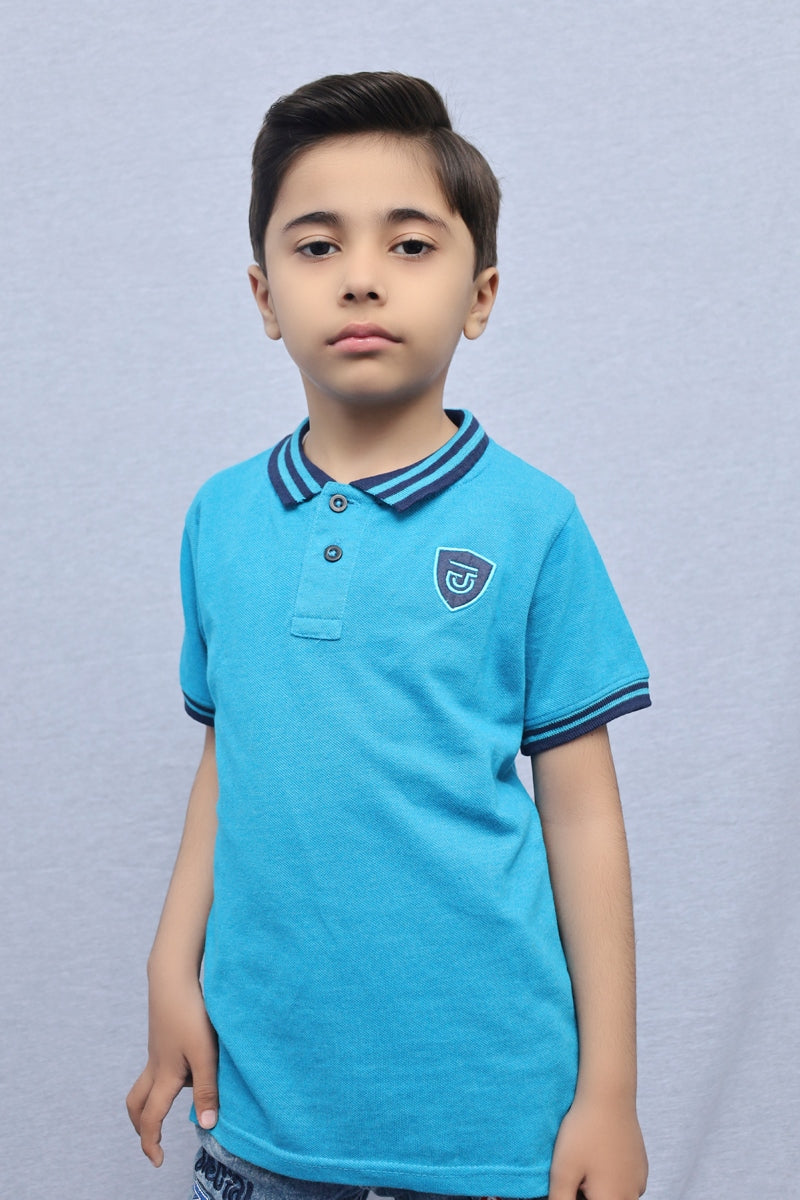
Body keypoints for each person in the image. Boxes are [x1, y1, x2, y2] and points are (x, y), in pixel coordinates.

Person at [126, 71, 651, 1200]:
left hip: (490, 1123)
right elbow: (230, 756)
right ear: (265, 295)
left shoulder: (533, 522)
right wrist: (170, 964)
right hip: (260, 1115)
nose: (361, 276)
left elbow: (583, 814)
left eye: (410, 245)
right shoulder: (221, 518)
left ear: (480, 292)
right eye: (318, 246)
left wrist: (609, 1092)